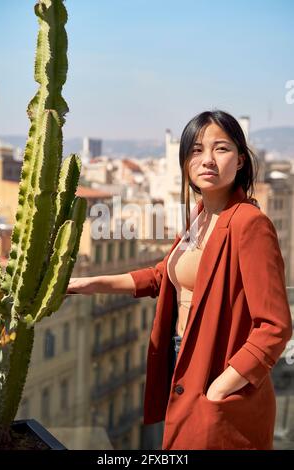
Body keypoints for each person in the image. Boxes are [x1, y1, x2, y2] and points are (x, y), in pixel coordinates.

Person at [67, 110, 293, 450]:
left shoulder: (249, 224)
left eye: (221, 148)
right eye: (196, 150)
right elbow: (163, 276)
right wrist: (89, 283)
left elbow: (274, 326)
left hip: (215, 368)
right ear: (185, 162)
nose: (208, 160)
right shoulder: (199, 216)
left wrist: (220, 386)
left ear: (241, 160)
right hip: (181, 358)